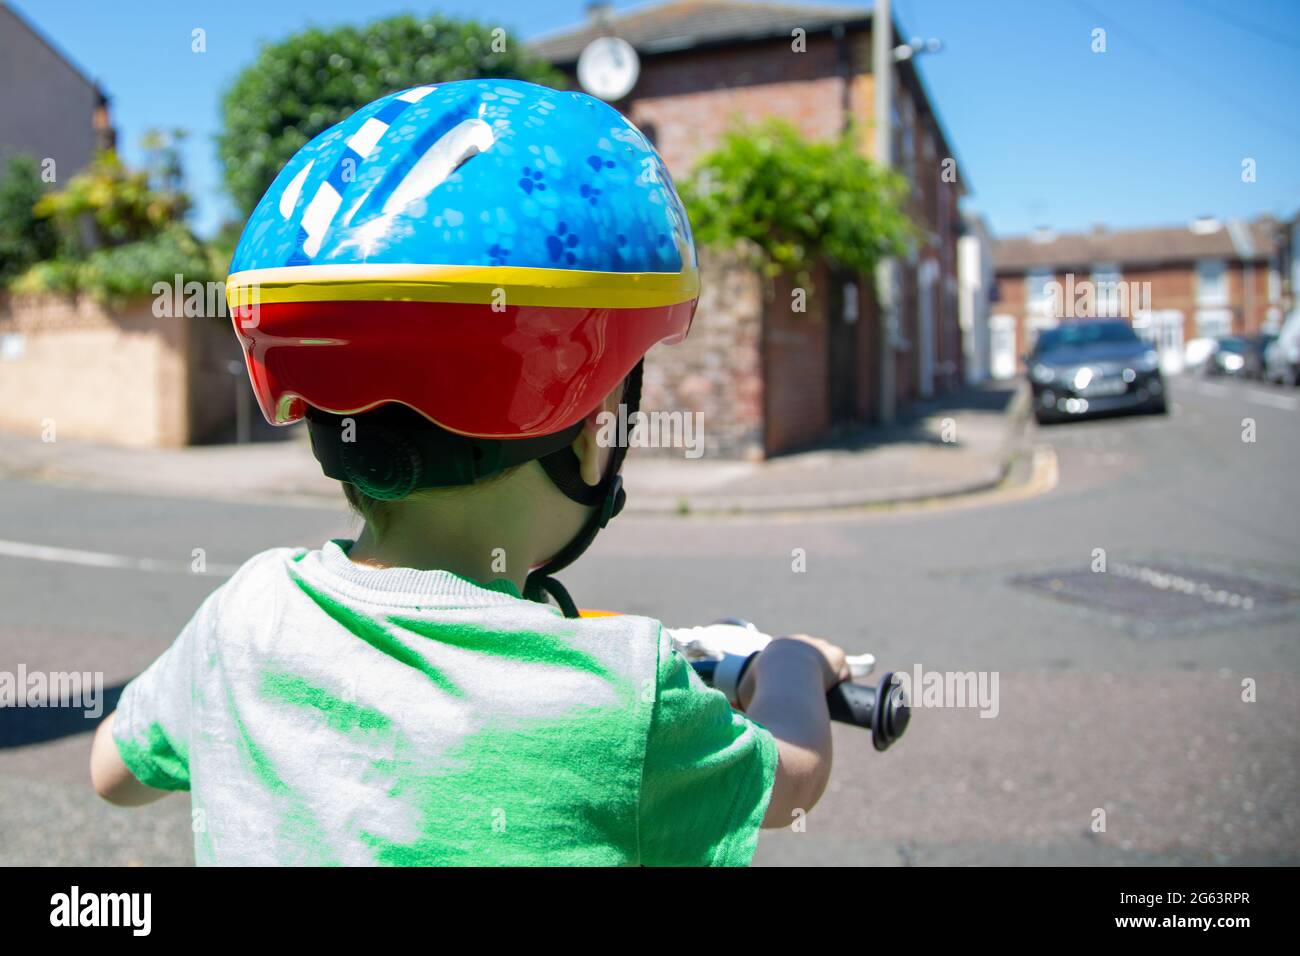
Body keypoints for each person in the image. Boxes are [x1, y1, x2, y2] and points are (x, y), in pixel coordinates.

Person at [89, 79, 850, 865]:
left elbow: (112, 770)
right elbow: (793, 777)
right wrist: (793, 664)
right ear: (594, 434)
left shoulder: (241, 617)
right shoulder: (625, 699)